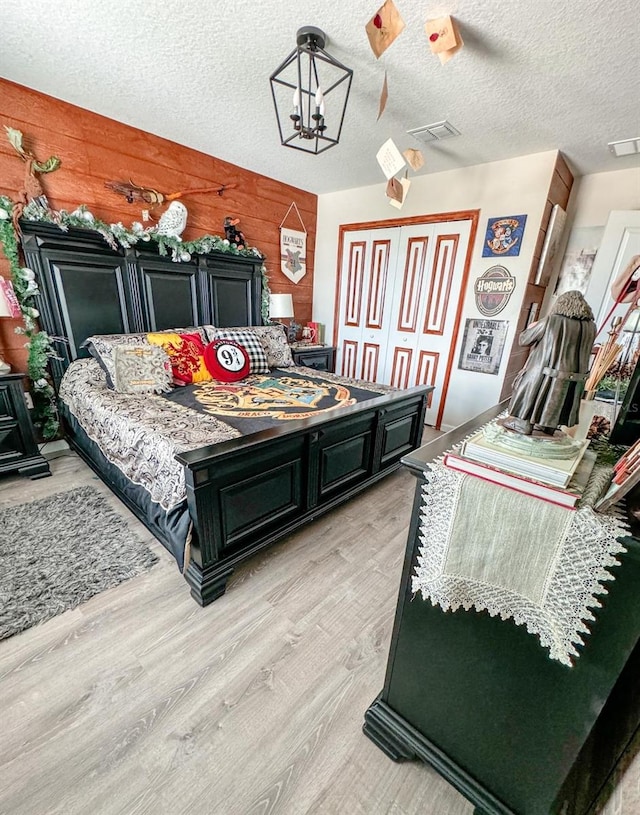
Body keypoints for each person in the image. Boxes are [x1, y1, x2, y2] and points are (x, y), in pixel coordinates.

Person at [501, 290, 596, 435]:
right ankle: (547, 426)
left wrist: (531, 327)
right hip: (573, 376)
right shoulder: (590, 327)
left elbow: (524, 340)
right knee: (558, 396)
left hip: (543, 371)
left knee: (532, 390)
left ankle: (522, 422)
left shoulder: (552, 320)